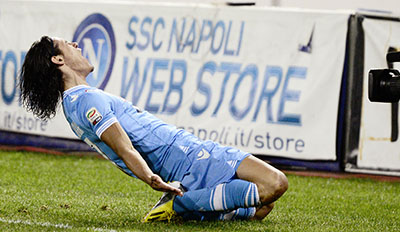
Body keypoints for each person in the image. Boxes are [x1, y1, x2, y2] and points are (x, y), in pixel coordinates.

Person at [18, 36, 288, 222]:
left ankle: (192, 205)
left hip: (183, 155)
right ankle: (181, 204)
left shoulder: (75, 103)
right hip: (186, 156)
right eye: (67, 44)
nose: (75, 44)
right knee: (275, 184)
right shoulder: (85, 99)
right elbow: (123, 148)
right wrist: (150, 178)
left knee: (263, 207)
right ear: (58, 60)